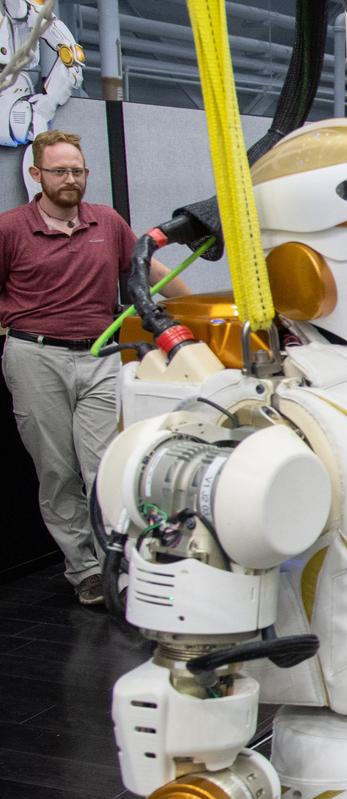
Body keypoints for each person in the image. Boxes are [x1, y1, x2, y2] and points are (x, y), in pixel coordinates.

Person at [0, 129, 189, 606]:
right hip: (35, 357)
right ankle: (83, 569)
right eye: (60, 171)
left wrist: (200, 309)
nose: (70, 179)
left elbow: (146, 270)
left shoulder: (107, 222)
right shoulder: (10, 229)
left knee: (105, 466)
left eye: (77, 171)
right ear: (36, 173)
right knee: (57, 471)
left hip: (100, 355)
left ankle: (117, 562)